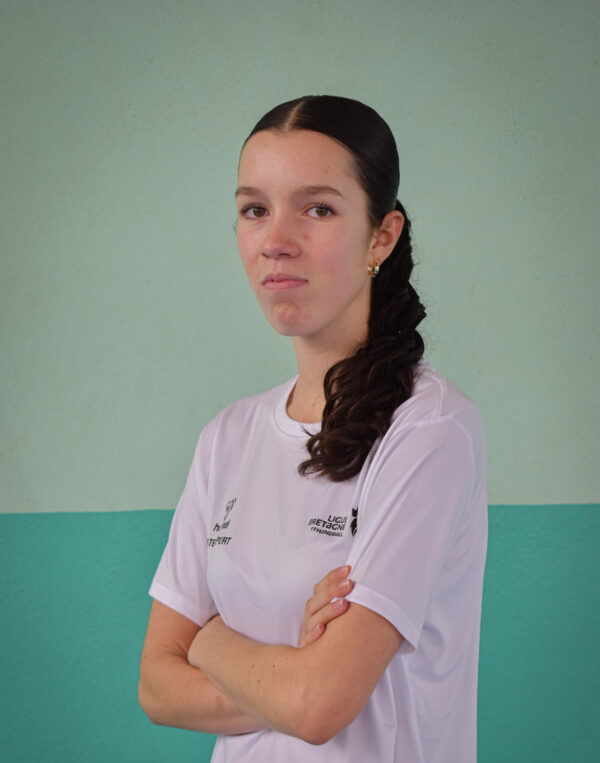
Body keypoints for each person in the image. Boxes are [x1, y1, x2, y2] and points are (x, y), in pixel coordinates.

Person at [139, 95, 487, 763]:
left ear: (381, 237)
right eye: (255, 209)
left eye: (318, 209)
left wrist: (211, 641)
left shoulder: (429, 430)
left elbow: (320, 705)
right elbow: (156, 686)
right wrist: (290, 672)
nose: (276, 240)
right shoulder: (227, 437)